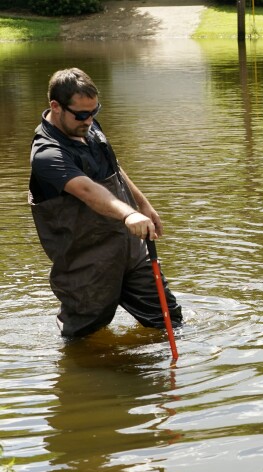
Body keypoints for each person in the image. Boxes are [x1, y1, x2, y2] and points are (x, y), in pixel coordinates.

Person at [29, 67, 183, 337]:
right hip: (87, 264)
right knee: (84, 337)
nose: (89, 120)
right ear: (55, 106)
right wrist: (128, 215)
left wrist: (142, 205)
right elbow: (88, 191)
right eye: (81, 114)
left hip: (130, 250)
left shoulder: (87, 125)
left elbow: (113, 166)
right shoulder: (46, 154)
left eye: (94, 112)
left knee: (169, 319)